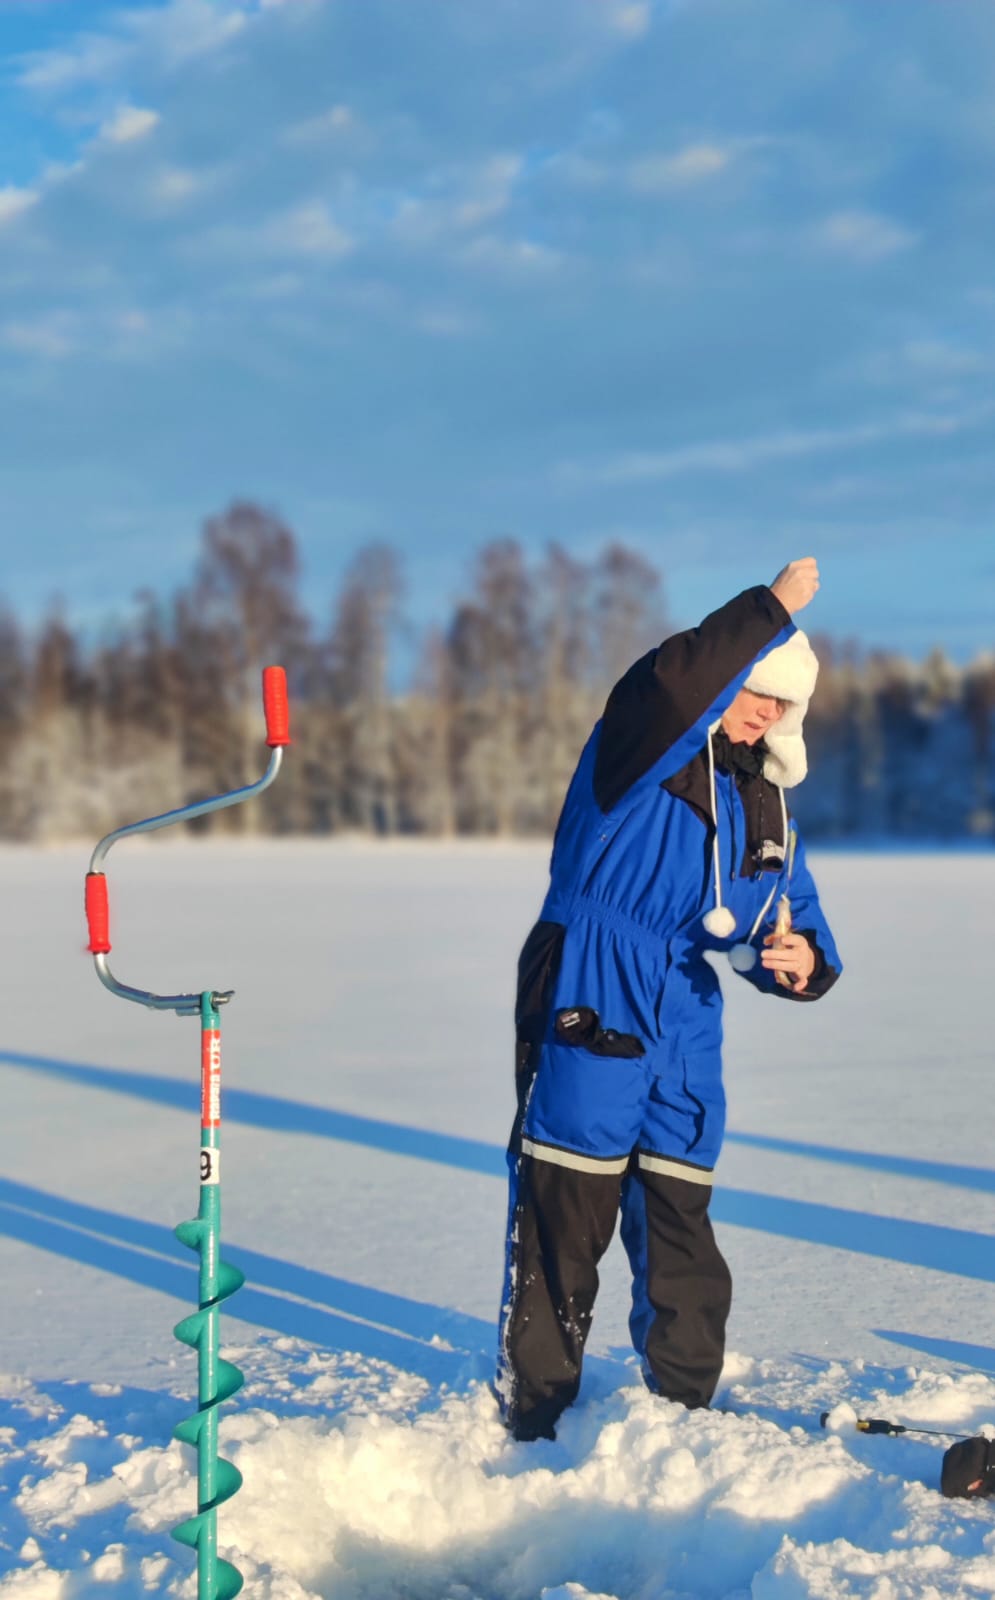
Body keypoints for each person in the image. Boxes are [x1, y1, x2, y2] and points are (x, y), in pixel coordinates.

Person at [496, 557, 841, 1442]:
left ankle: (683, 1413)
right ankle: (534, 1420)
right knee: (566, 1211)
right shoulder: (640, 749)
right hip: (591, 976)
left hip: (685, 1007)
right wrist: (769, 608)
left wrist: (798, 959)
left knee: (680, 1217)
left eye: (782, 704)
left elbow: (786, 911)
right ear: (728, 675)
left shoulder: (761, 799)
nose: (766, 711)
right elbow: (673, 679)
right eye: (756, 690)